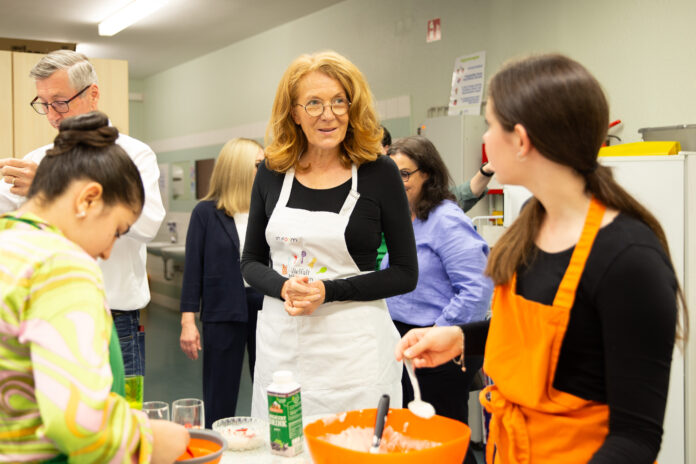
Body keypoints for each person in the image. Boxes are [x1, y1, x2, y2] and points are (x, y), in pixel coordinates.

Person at [395, 54, 686, 464]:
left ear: (521, 140)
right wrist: (462, 337)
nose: (486, 137)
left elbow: (636, 438)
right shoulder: (529, 231)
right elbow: (544, 335)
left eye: (491, 124)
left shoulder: (629, 259)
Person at [0, 112, 187, 463]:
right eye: (117, 230)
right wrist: (152, 439)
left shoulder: (9, 242)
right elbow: (79, 423)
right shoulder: (60, 266)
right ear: (88, 199)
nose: (106, 251)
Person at [241, 50, 418, 419]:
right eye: (314, 103)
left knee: (356, 447)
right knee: (284, 450)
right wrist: (284, 286)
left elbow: (405, 272)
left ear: (353, 108)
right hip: (283, 346)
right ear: (294, 113)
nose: (329, 114)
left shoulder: (379, 172)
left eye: (339, 101)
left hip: (356, 353)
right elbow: (251, 261)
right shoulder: (272, 172)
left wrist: (328, 291)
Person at [0, 50, 165, 377]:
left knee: (119, 406)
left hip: (115, 317)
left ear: (92, 94)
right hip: (49, 311)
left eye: (60, 102)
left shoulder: (133, 155)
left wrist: (54, 185)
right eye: (43, 103)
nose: (51, 114)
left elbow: (147, 225)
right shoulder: (37, 159)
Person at [383, 135, 492, 464]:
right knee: (421, 438)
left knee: (444, 436)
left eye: (404, 174)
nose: (397, 182)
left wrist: (438, 333)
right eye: (392, 174)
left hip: (441, 341)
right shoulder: (409, 218)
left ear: (427, 174)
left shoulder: (446, 219)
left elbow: (477, 288)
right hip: (412, 339)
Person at [179, 138, 265, 428]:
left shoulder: (267, 210)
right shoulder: (206, 213)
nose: (265, 169)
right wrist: (188, 322)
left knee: (268, 387)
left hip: (265, 308)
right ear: (239, 168)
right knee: (219, 393)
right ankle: (218, 449)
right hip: (222, 309)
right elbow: (192, 271)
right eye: (258, 164)